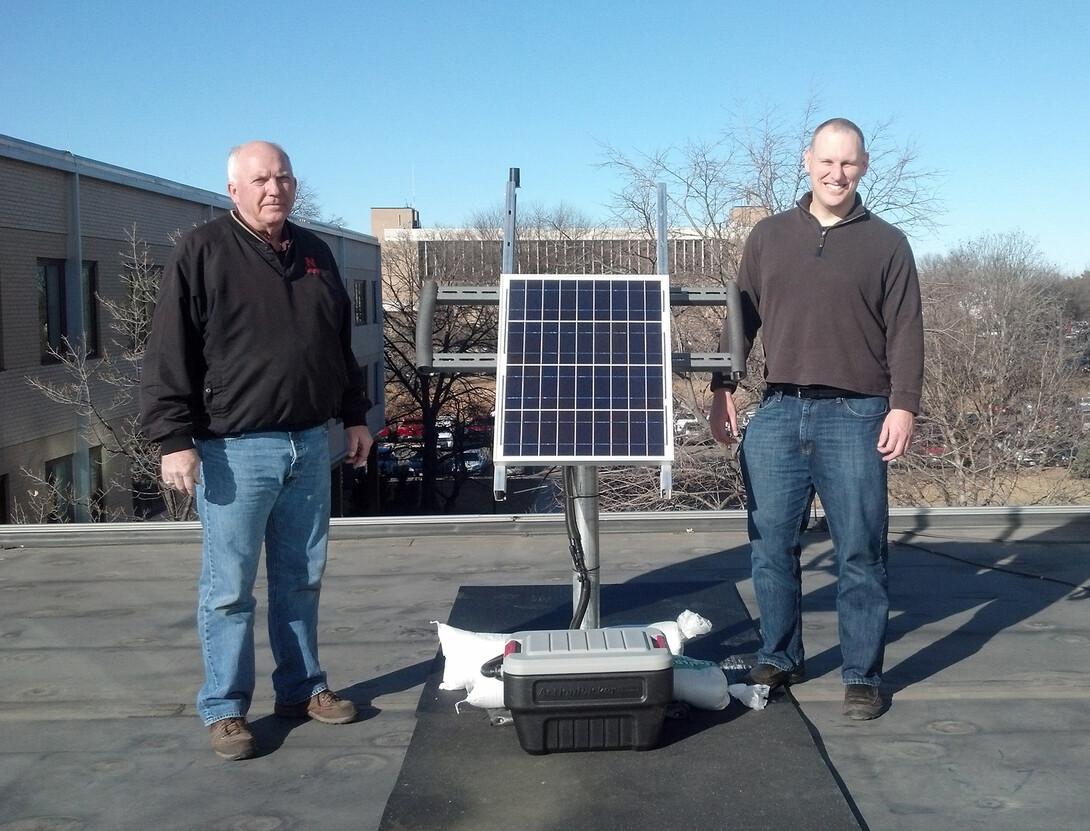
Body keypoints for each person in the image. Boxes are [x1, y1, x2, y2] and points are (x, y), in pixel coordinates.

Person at [140, 141, 374, 759]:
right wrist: (173, 440)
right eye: (261, 179)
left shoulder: (317, 253)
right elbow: (170, 352)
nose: (275, 188)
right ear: (234, 190)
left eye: (284, 177)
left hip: (308, 443)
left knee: (301, 579)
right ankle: (225, 708)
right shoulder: (202, 252)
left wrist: (354, 416)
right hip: (232, 451)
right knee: (229, 586)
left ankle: (301, 689)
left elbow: (338, 349)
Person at [709, 118, 924, 720]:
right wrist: (723, 388)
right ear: (807, 161)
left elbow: (907, 330)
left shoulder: (887, 243)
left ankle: (861, 674)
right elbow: (739, 320)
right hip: (778, 411)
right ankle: (779, 656)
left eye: (849, 163)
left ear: (863, 166)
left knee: (860, 550)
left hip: (858, 413)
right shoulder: (769, 236)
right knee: (770, 545)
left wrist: (903, 404)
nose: (837, 173)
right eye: (827, 162)